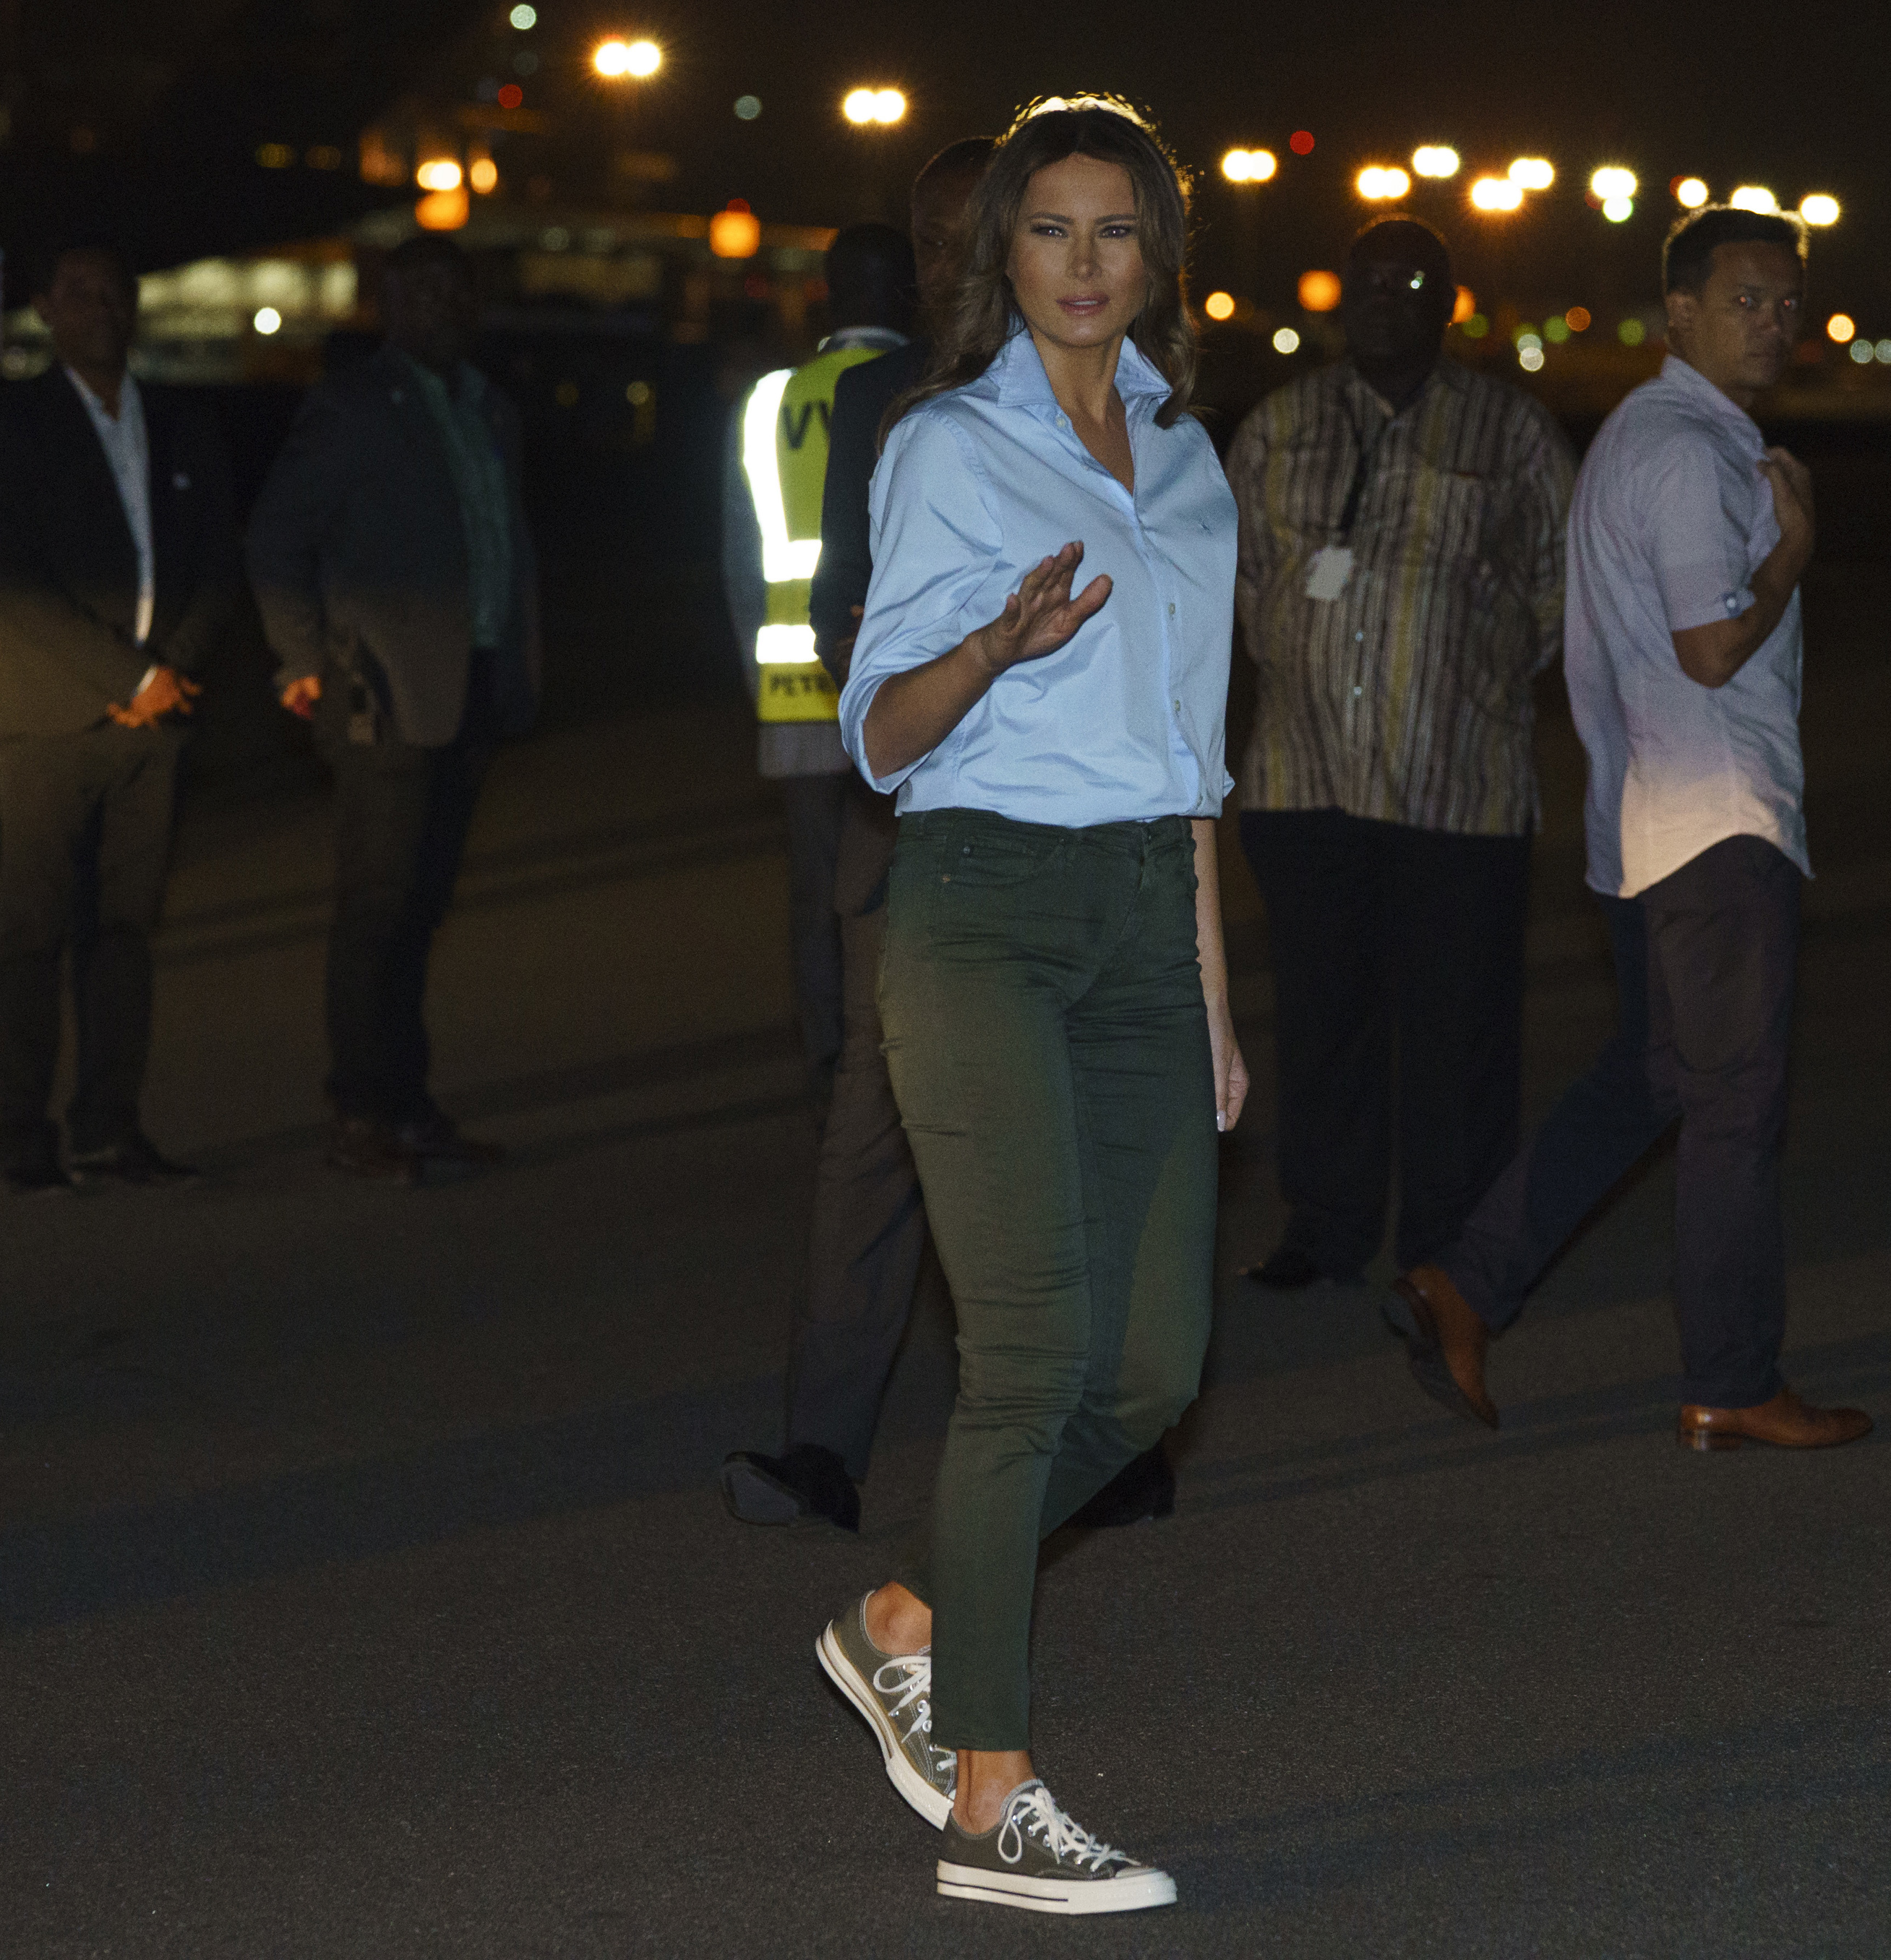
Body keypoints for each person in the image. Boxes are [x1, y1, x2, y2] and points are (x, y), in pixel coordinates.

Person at [815, 97, 1240, 1915]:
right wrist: (993, 644)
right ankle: (992, 1802)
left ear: (1159, 255)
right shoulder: (947, 446)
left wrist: (1218, 998)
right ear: (1003, 253)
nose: (1084, 264)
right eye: (1051, 230)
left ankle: (908, 1616)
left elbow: (1195, 763)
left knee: (1154, 1372)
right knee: (1032, 1358)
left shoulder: (1191, 458)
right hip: (983, 901)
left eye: (1116, 230)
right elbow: (880, 734)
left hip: (1148, 914)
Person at [719, 139, 1180, 1537]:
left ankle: (1101, 1435)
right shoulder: (904, 407)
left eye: (959, 231)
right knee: (877, 1132)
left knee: (1080, 1132)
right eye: (935, 234)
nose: (943, 257)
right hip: (924, 832)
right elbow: (845, 611)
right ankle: (824, 1443)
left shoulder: (1121, 406)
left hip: (1086, 837)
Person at [1390, 204, 1872, 1452]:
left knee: (1650, 1078)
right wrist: (1794, 554)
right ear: (1683, 314)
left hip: (1650, 825)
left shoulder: (1656, 436)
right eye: (1746, 300)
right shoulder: (1686, 453)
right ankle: (1732, 1374)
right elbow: (1713, 645)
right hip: (1713, 827)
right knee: (1734, 1110)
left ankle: (1467, 1279)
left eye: (1786, 300)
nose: (1775, 321)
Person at [1227, 216, 1575, 1292]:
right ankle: (1326, 1225)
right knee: (1323, 1016)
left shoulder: (1510, 433)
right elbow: (1235, 589)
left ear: (1447, 302)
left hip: (1455, 787)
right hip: (1304, 776)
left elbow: (1564, 593)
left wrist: (1468, 677)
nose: (1384, 297)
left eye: (1408, 281)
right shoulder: (1277, 427)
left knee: (1456, 1026)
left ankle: (1450, 1241)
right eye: (1365, 279)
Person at [247, 234, 539, 1184]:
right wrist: (305, 661)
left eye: (458, 294)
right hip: (382, 692)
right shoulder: (353, 405)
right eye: (422, 296)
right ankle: (361, 1112)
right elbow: (277, 537)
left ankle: (407, 1104)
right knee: (376, 909)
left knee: (420, 909)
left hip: (475, 683)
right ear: (391, 307)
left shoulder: (487, 407)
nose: (443, 311)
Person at [0, 239, 241, 1194]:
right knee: (32, 932)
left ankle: (110, 1126)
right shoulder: (9, 427)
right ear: (45, 309)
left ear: (134, 306)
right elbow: (19, 588)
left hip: (158, 722)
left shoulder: (181, 424)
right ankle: (22, 1128)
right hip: (47, 717)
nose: (98, 308)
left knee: (124, 933)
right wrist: (130, 679)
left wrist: (174, 671)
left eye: (112, 291)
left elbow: (217, 561)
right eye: (76, 292)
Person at [721, 222, 919, 1099]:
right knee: (898, 882)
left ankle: (829, 1070)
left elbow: (738, 550)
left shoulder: (771, 401)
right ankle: (897, 1065)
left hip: (796, 681)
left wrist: (757, 676)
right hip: (905, 681)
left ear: (827, 294)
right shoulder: (920, 392)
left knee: (814, 893)